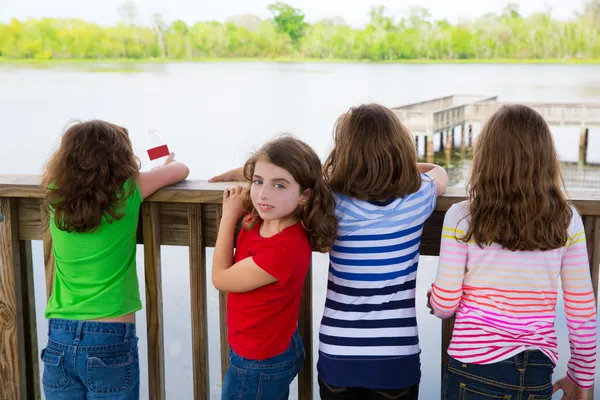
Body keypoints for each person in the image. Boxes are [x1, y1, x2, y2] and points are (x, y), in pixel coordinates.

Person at [211, 104, 448, 399]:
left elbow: (303, 178)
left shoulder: (332, 202)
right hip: (396, 355)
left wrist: (249, 178)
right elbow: (439, 174)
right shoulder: (419, 198)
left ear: (343, 154)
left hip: (339, 352)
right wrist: (410, 168)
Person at [428, 104, 596, 400]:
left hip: (473, 366)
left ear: (485, 157)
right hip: (536, 369)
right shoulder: (567, 220)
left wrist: (435, 298)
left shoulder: (462, 216)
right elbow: (581, 313)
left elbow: (445, 305)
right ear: (545, 158)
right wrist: (581, 377)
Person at [41, 120, 189, 399]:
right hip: (110, 334)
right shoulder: (127, 191)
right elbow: (181, 170)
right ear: (119, 160)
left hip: (60, 333)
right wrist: (165, 161)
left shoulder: (55, 194)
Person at [212, 136, 337, 399]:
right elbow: (271, 176)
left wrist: (228, 217)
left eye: (279, 185)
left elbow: (221, 278)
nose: (262, 194)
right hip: (275, 342)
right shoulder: (271, 214)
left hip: (258, 361)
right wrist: (232, 175)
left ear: (305, 195)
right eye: (257, 181)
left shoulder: (282, 249)